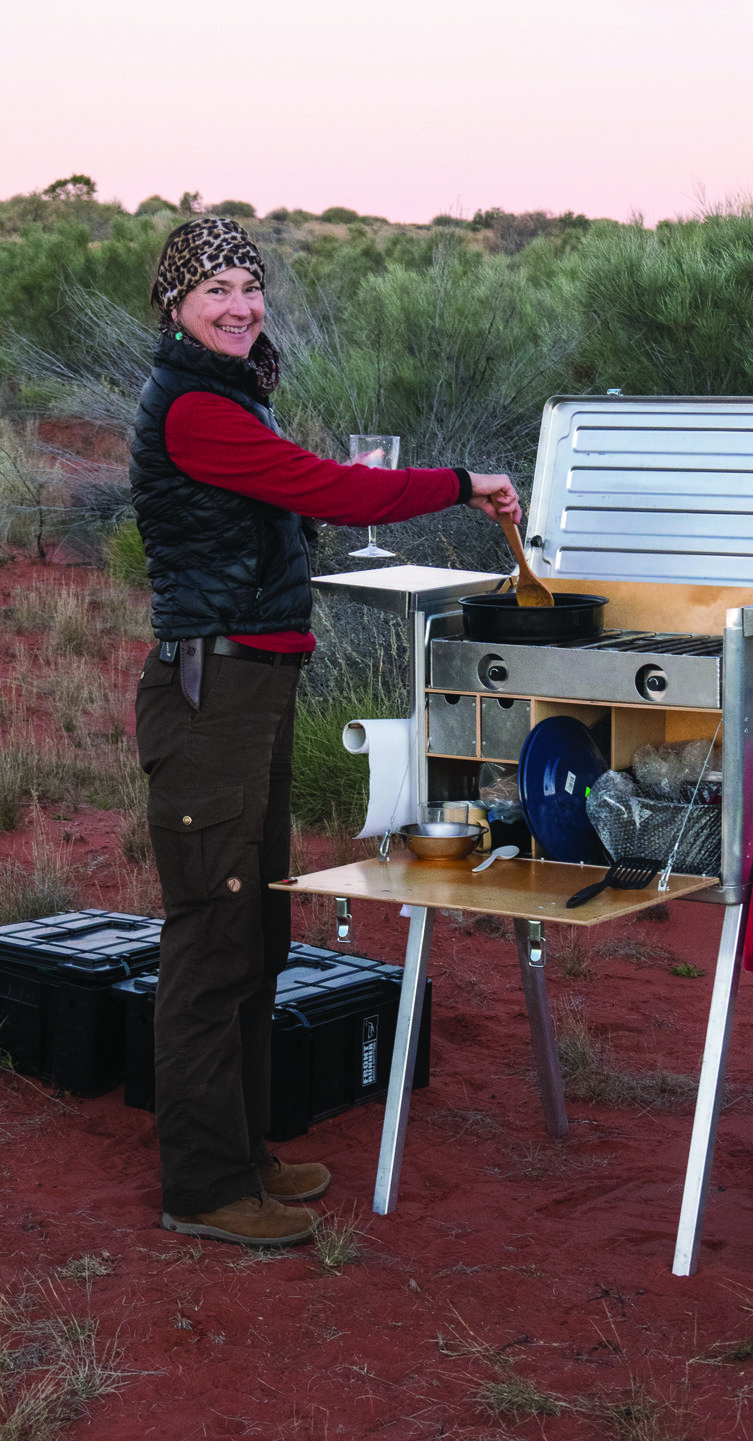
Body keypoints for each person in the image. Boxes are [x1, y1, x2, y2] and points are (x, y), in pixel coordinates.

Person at [131, 217, 521, 1249]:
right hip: (211, 694)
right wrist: (453, 484)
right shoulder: (191, 409)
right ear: (174, 303)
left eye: (248, 287)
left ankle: (242, 1150)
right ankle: (204, 1187)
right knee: (211, 939)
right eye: (214, 287)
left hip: (250, 686)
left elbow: (286, 500)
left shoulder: (225, 398)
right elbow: (325, 489)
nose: (238, 304)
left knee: (254, 929)